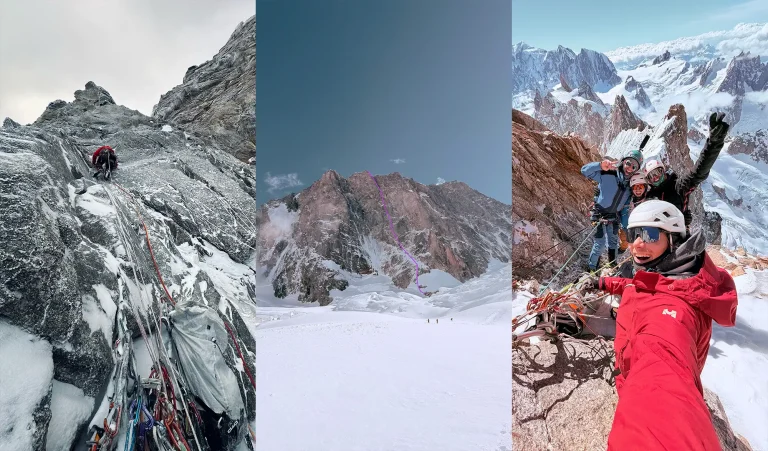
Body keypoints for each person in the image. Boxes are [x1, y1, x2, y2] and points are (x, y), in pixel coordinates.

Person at [583, 200, 737, 450]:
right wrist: (605, 283)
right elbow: (640, 286)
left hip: (639, 381)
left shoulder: (669, 315)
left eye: (651, 234)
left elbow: (662, 385)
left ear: (674, 241)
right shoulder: (675, 277)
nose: (637, 244)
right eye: (632, 234)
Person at [645, 112, 729, 232]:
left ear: (664, 171)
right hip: (658, 238)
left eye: (657, 173)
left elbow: (698, 172)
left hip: (680, 235)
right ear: (648, 181)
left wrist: (713, 143)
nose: (656, 178)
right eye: (651, 176)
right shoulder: (649, 197)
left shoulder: (678, 186)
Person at [581, 149, 642, 271]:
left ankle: (612, 265)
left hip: (614, 217)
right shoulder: (607, 174)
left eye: (634, 166)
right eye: (628, 163)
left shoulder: (629, 186)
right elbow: (584, 171)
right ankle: (592, 268)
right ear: (623, 161)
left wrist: (625, 226)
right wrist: (600, 165)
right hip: (599, 214)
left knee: (613, 243)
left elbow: (625, 206)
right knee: (600, 243)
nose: (629, 168)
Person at [618, 172, 650, 252]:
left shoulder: (649, 201)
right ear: (632, 189)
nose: (638, 189)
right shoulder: (626, 200)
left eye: (641, 186)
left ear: (645, 187)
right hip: (625, 228)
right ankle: (622, 249)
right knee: (624, 242)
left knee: (636, 247)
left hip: (641, 230)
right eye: (635, 187)